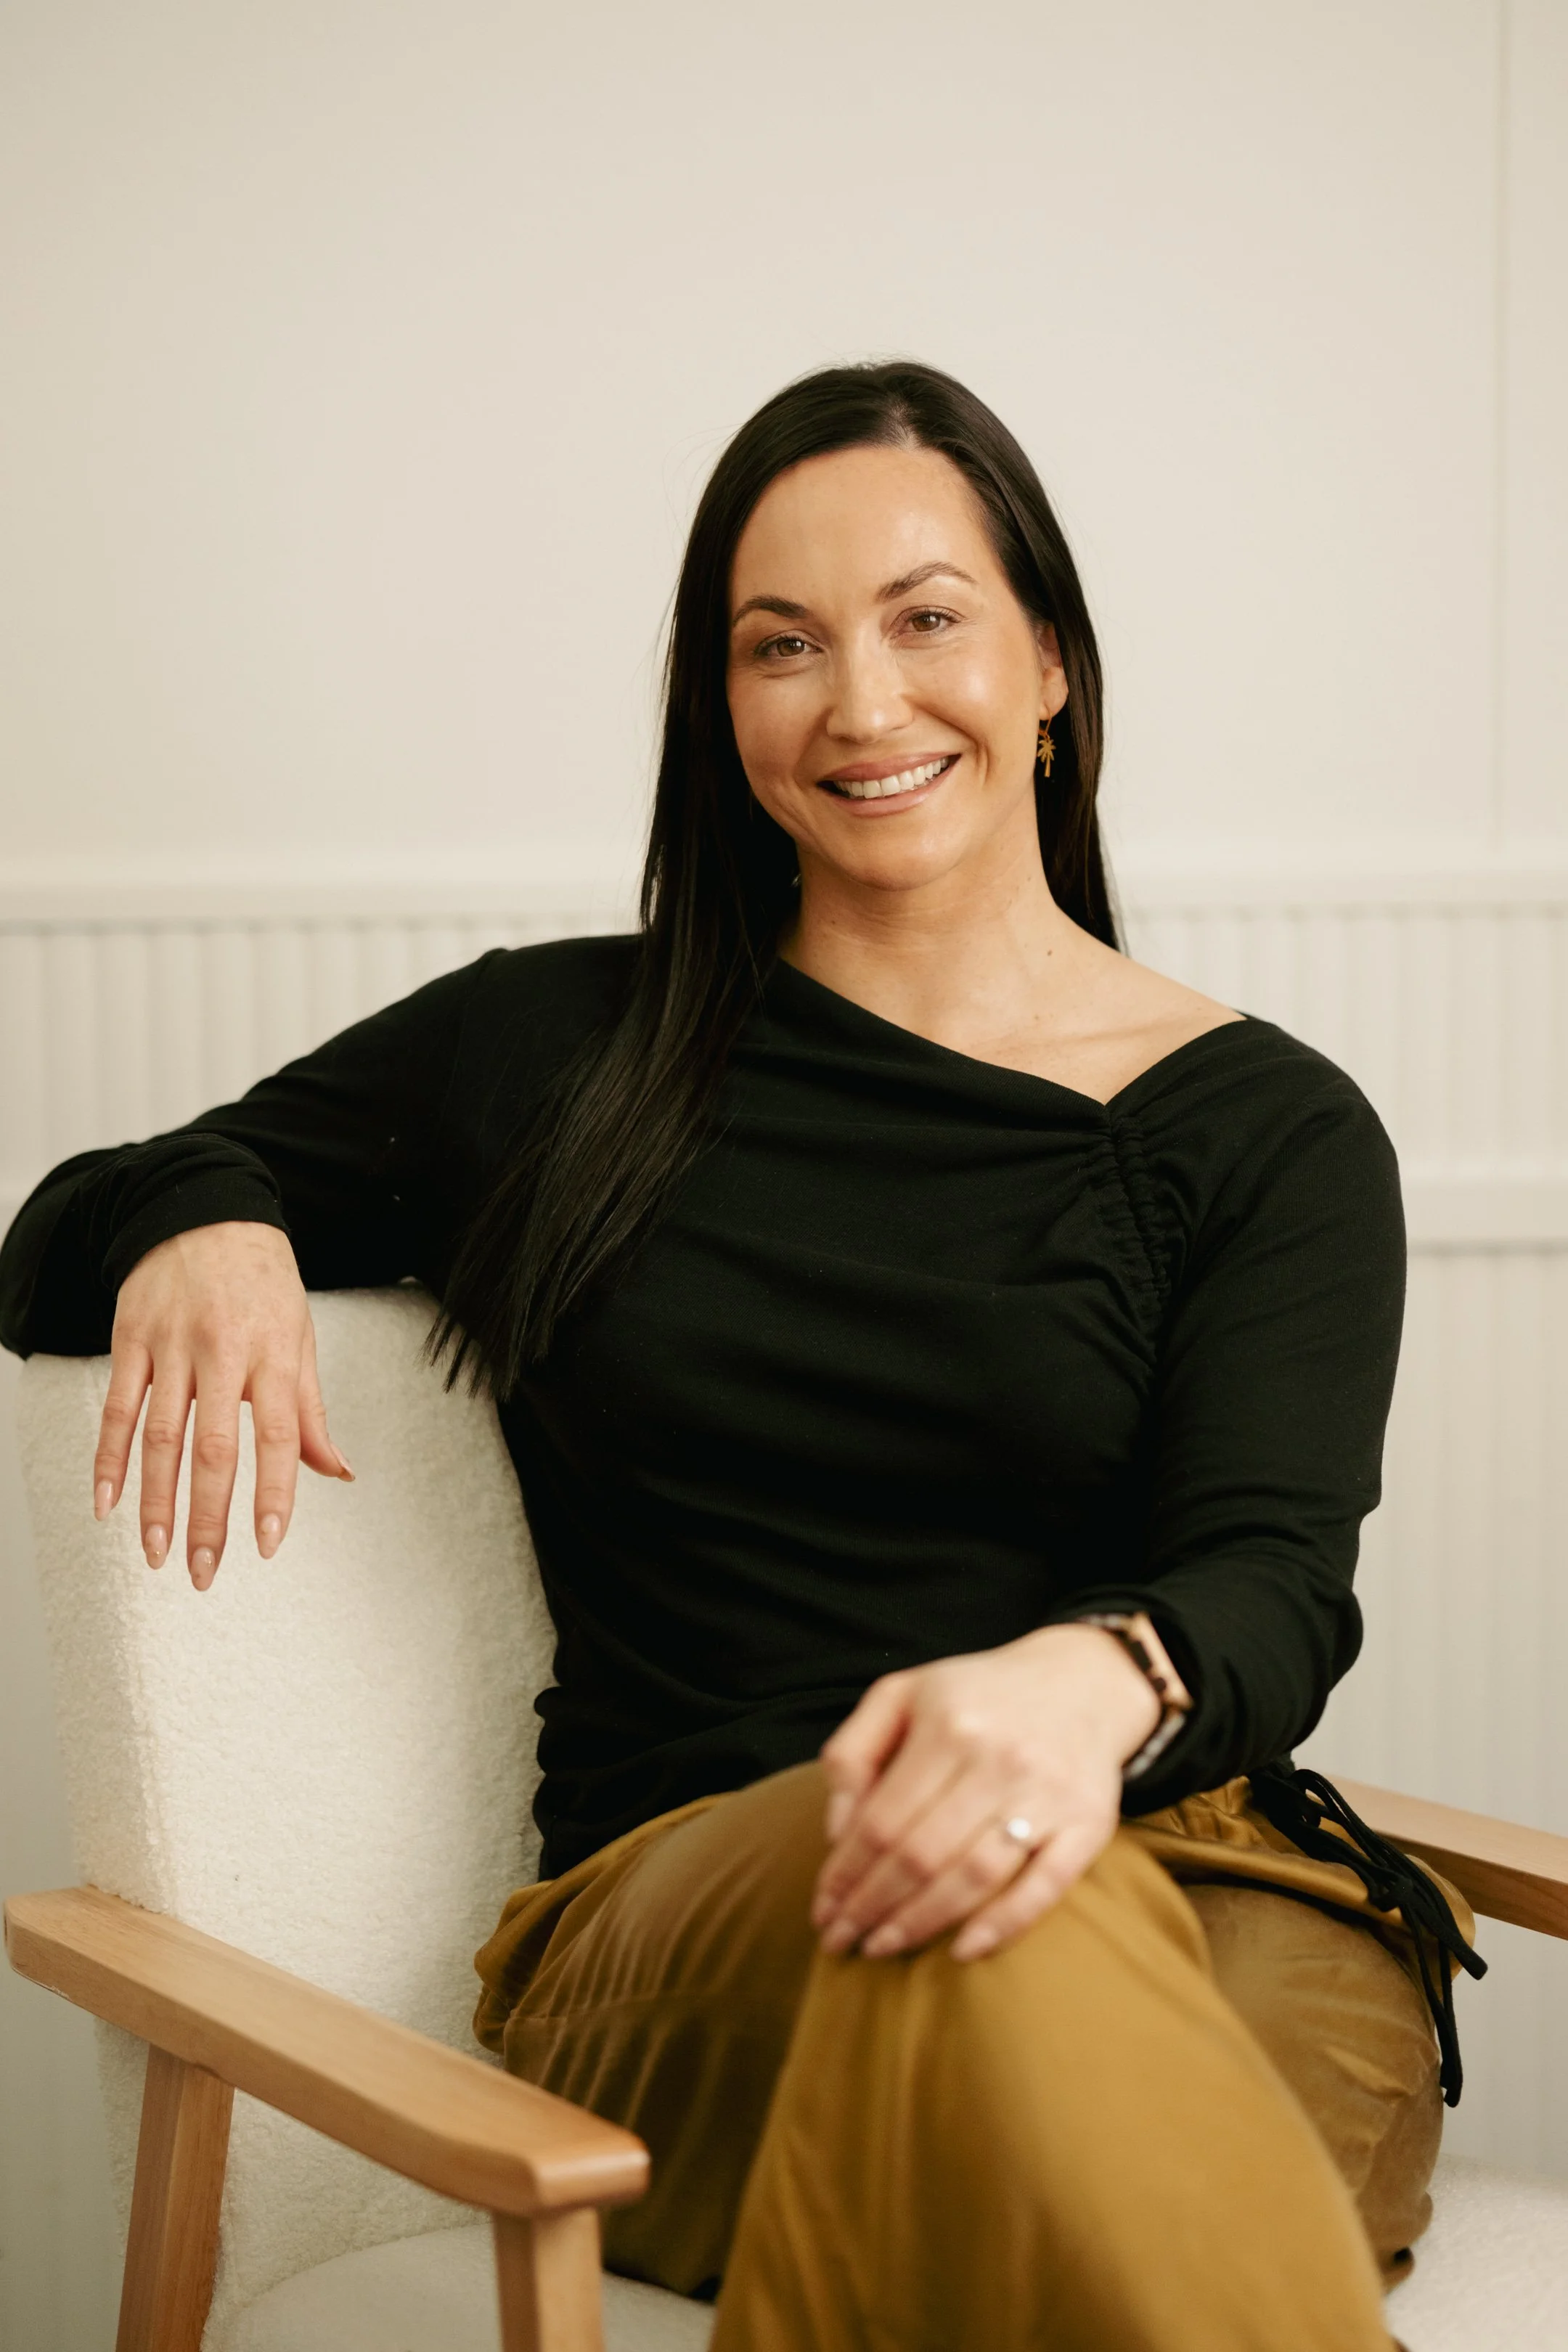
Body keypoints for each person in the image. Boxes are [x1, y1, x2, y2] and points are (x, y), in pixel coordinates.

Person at [0, 362, 1478, 2351]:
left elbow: (1271, 1585)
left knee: (1064, 2134)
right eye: (782, 645)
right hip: (696, 1914)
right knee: (989, 1952)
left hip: (1212, 1884)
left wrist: (1076, 1687)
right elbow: (76, 1216)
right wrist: (201, 1213)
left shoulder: (1263, 1133)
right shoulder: (559, 1055)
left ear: (1050, 663)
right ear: (720, 704)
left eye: (929, 619)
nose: (863, 704)